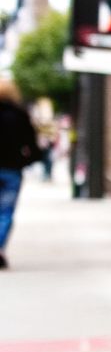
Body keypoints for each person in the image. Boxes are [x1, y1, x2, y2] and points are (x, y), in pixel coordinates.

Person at [0, 80, 47, 269]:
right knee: (5, 212)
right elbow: (32, 144)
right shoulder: (20, 115)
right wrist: (26, 161)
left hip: (12, 169)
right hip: (12, 170)